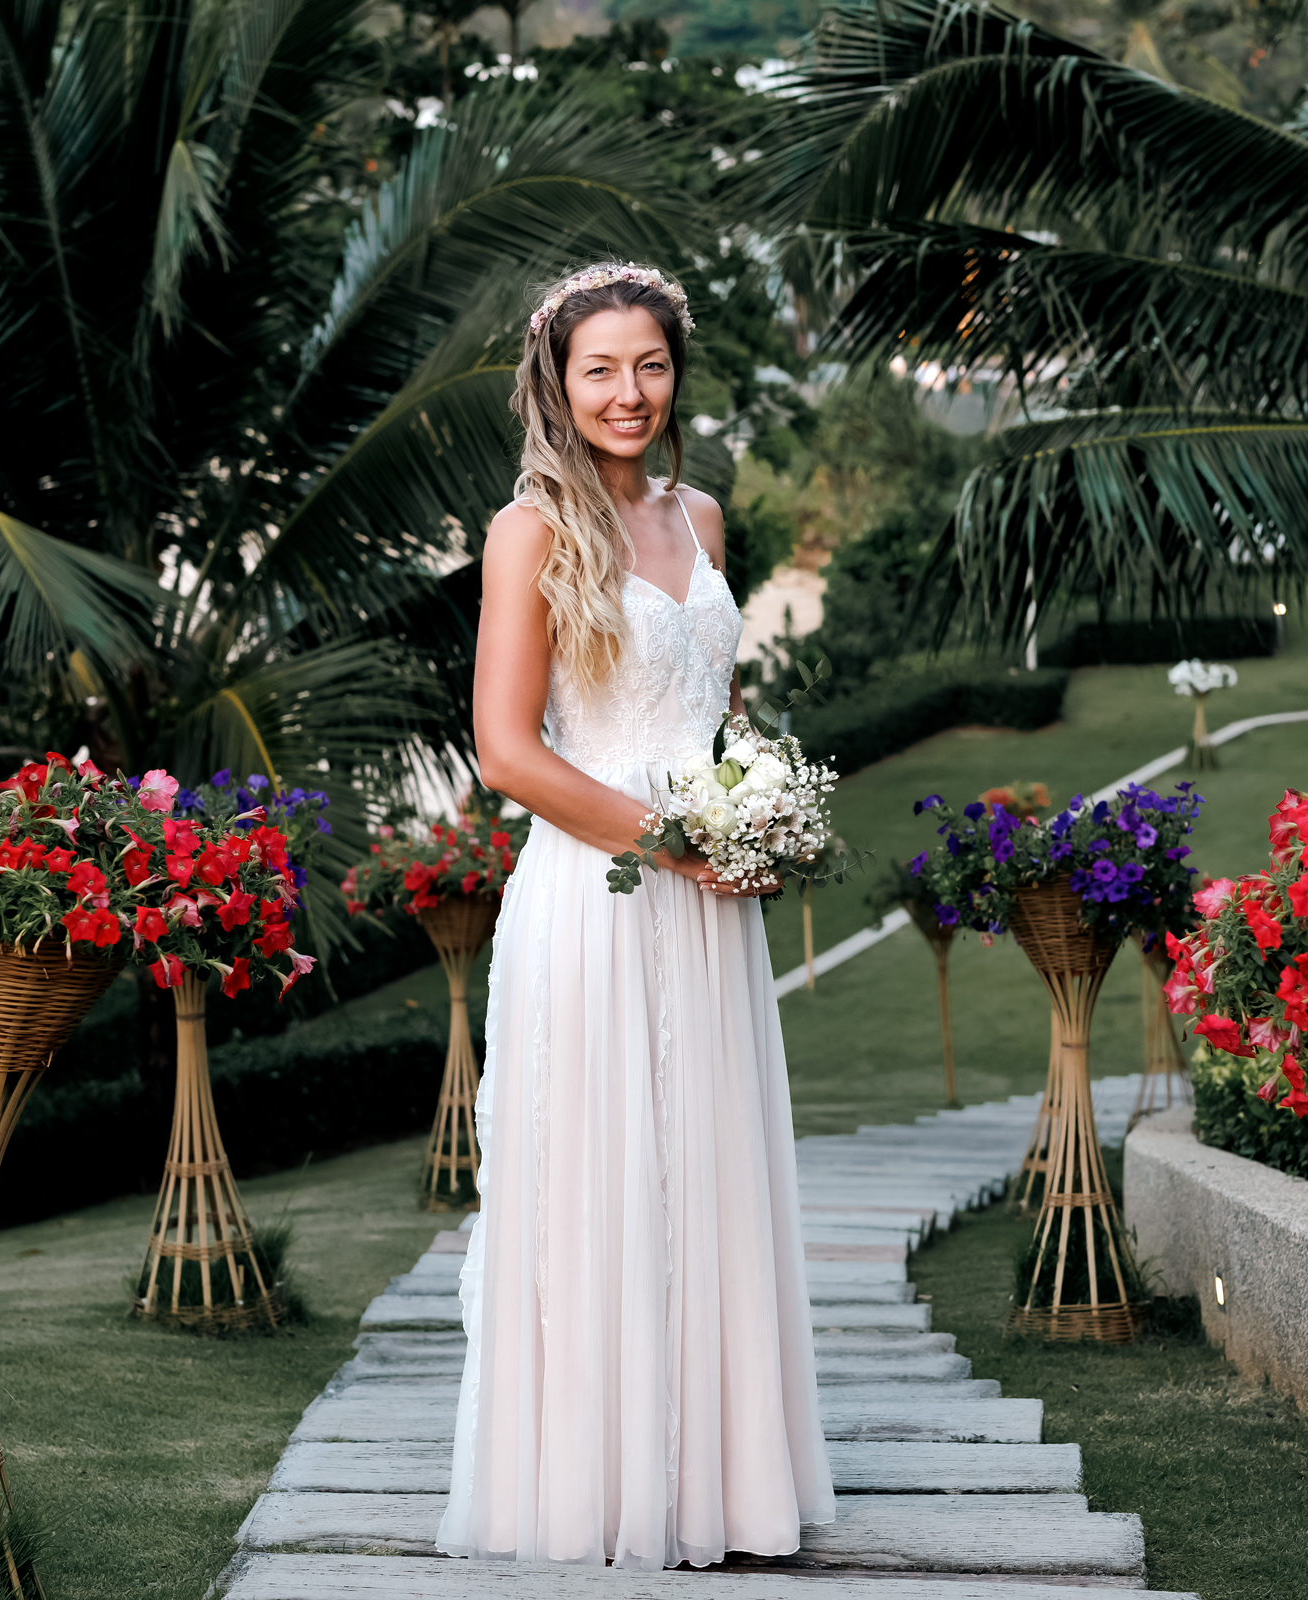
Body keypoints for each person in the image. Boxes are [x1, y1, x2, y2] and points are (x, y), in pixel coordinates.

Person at [435, 263, 835, 1569]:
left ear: (677, 372)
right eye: (600, 367)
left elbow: (699, 718)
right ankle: (600, 1488)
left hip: (711, 902)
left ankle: (722, 1487)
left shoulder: (704, 518)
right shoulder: (530, 531)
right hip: (598, 894)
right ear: (557, 380)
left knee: (709, 1170)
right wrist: (676, 840)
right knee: (599, 1171)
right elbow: (505, 751)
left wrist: (753, 820)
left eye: (650, 365)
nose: (627, 391)